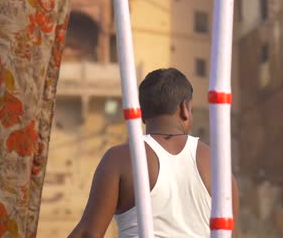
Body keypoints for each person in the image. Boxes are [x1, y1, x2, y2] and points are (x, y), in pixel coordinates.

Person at [69, 68, 239, 237]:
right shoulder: (216, 164)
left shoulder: (120, 159)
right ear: (185, 109)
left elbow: (88, 233)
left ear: (142, 114)